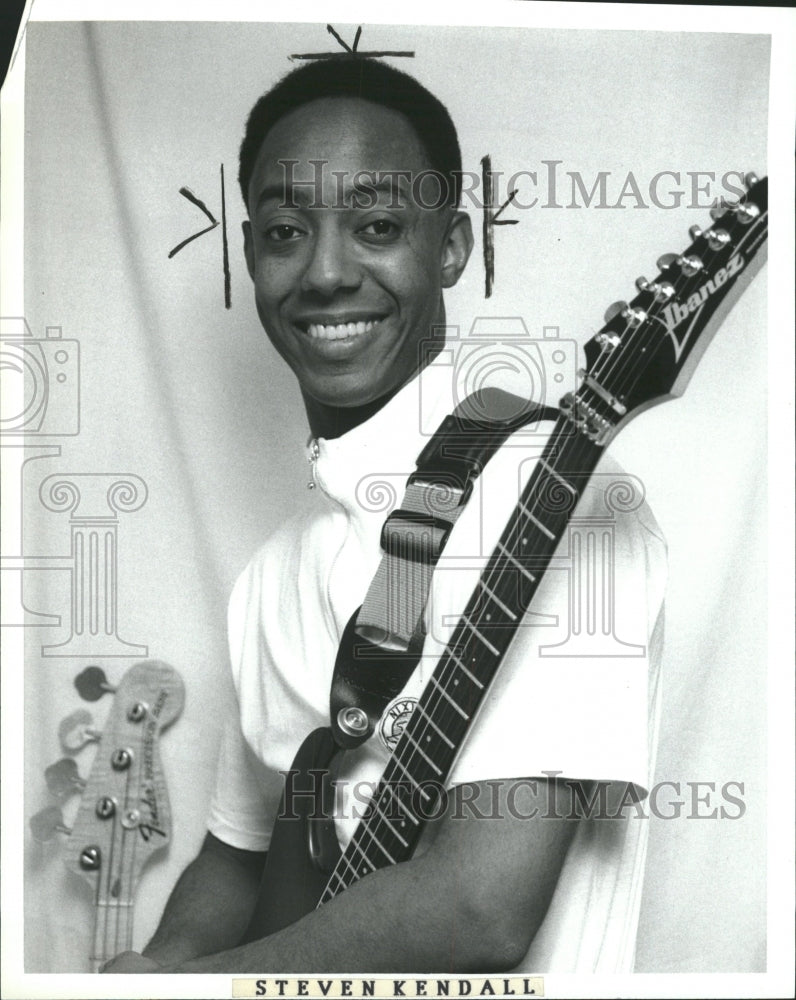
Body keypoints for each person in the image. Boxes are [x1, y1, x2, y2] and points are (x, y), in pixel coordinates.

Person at [103, 57, 666, 974]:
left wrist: (195, 991)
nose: (324, 273)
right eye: (286, 230)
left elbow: (479, 909)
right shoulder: (270, 577)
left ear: (451, 246)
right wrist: (157, 967)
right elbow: (241, 862)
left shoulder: (562, 496)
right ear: (250, 254)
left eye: (376, 225)